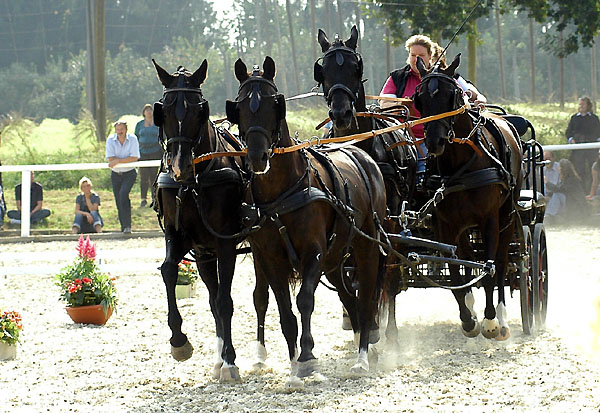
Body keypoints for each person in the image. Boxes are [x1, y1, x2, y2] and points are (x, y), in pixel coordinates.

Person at [105, 120, 140, 233]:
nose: (120, 132)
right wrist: (121, 160)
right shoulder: (110, 140)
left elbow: (134, 157)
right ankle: (124, 227)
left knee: (123, 194)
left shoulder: (133, 139)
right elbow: (110, 159)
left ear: (126, 130)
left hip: (129, 173)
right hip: (116, 174)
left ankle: (128, 225)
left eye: (122, 129)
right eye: (118, 129)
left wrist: (119, 160)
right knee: (119, 200)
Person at [565, 96, 600, 189]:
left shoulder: (594, 118)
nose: (581, 106)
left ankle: (592, 191)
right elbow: (568, 132)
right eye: (580, 104)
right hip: (578, 149)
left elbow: (598, 132)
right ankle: (581, 191)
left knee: (593, 169)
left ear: (588, 105)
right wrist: (571, 139)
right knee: (579, 170)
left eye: (583, 104)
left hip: (591, 149)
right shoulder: (574, 118)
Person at [545, 158, 589, 223]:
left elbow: (559, 189)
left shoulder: (571, 180)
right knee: (555, 195)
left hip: (577, 205)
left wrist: (547, 182)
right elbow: (561, 189)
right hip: (570, 202)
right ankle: (551, 215)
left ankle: (549, 215)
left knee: (557, 195)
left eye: (559, 166)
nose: (558, 168)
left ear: (563, 168)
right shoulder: (566, 179)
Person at [135, 104, 162, 207]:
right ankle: (143, 199)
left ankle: (154, 197)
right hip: (143, 152)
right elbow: (136, 137)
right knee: (144, 177)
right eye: (147, 110)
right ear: (144, 112)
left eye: (150, 110)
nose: (149, 112)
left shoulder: (157, 123)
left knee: (154, 176)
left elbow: (162, 135)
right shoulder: (140, 124)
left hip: (155, 151)